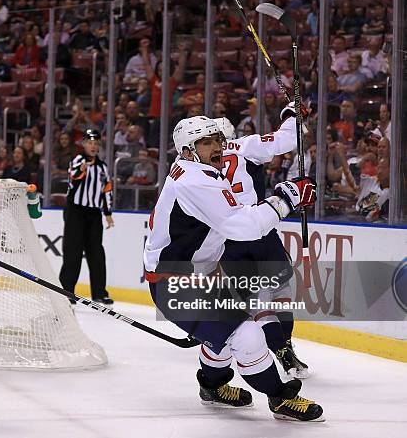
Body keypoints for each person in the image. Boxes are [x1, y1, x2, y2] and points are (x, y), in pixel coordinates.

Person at [143, 116, 323, 421]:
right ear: (188, 150)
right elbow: (243, 228)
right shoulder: (194, 180)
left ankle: (212, 387)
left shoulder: (198, 170)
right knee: (247, 336)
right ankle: (280, 398)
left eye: (217, 139)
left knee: (223, 338)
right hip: (175, 284)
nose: (217, 147)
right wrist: (285, 200)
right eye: (206, 143)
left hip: (198, 275)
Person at [213, 106, 310, 378]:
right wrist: (293, 115)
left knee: (255, 297)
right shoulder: (243, 145)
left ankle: (276, 347)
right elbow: (289, 139)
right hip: (259, 228)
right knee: (279, 288)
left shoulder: (199, 162)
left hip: (227, 237)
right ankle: (285, 348)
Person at [59, 129, 114, 305]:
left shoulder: (102, 167)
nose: (93, 146)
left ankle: (99, 292)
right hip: (75, 211)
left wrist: (108, 214)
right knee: (72, 252)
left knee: (96, 253)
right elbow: (72, 178)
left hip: (94, 213)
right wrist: (81, 171)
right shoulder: (77, 161)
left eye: (96, 144)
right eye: (90, 143)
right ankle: (66, 291)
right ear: (83, 144)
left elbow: (107, 190)